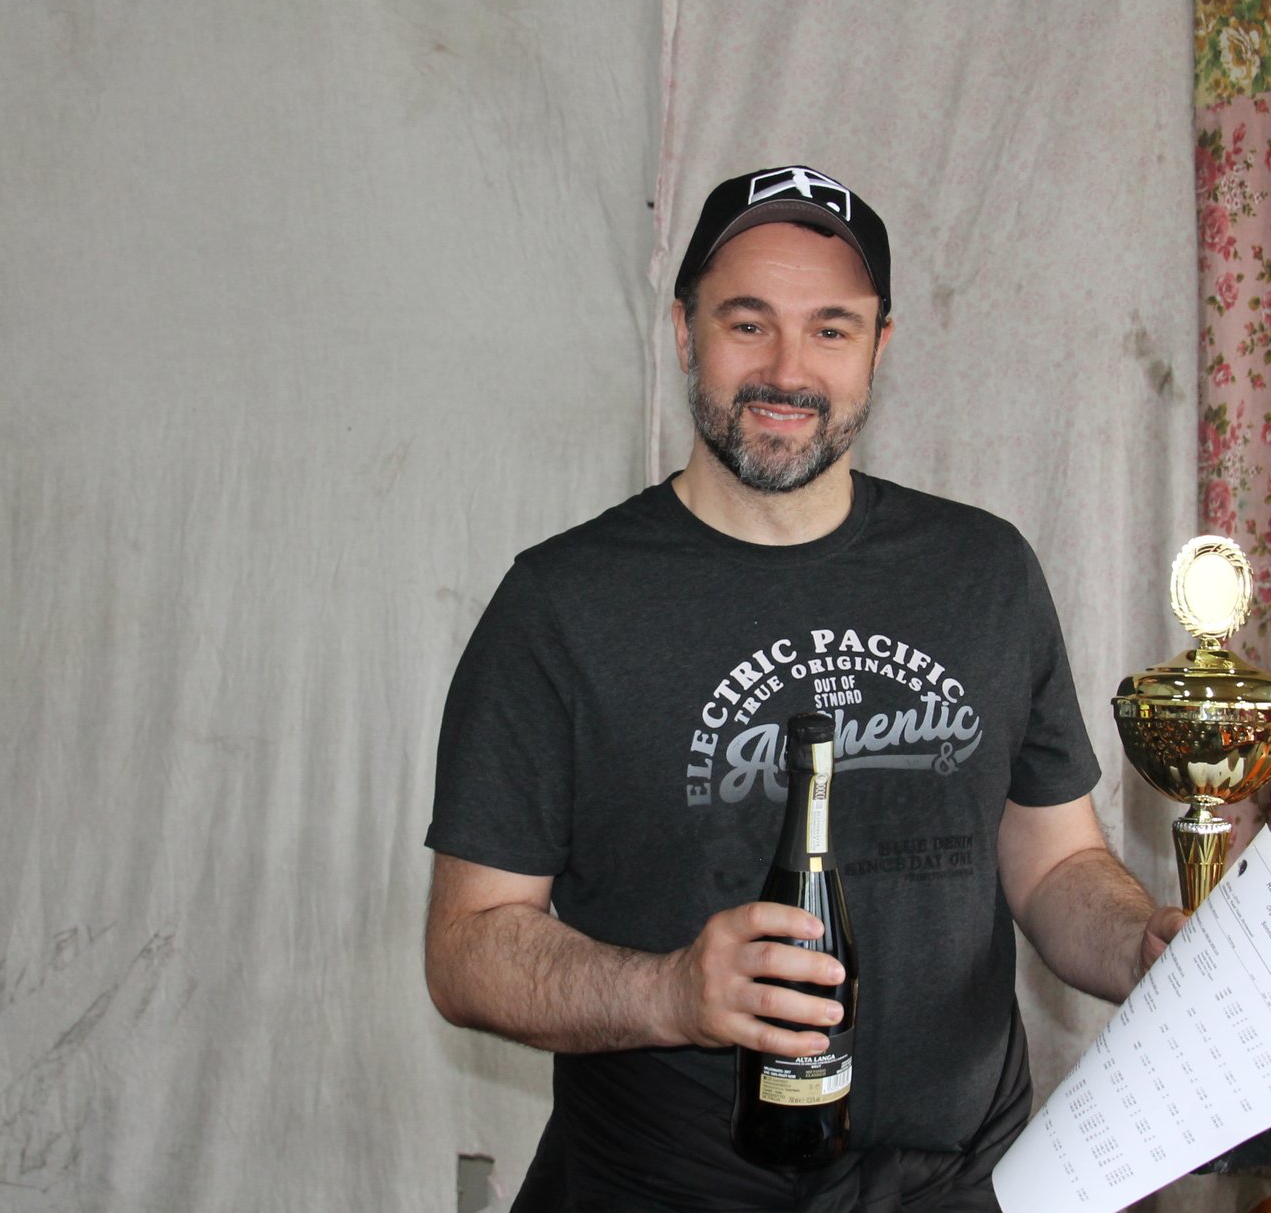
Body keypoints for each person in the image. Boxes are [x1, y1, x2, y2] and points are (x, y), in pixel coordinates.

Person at [424, 165, 1184, 1211]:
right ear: (684, 332)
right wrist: (668, 992)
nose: (787, 369)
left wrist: (1140, 946)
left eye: (831, 329)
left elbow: (1055, 863)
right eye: (748, 324)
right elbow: (467, 946)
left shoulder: (982, 572)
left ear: (879, 347)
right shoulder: (563, 606)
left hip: (959, 1186)